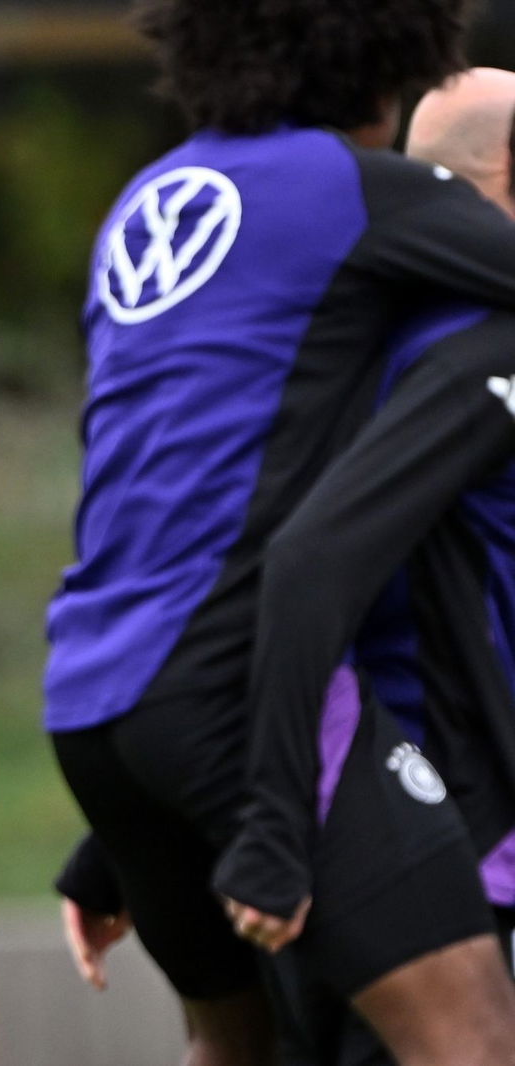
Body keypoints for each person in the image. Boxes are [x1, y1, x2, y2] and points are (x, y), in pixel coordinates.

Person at [43, 2, 515, 1062]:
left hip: (92, 691)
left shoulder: (145, 202)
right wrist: (268, 826)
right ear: (381, 51)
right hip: (236, 690)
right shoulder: (356, 193)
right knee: (474, 1041)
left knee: (230, 1048)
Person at [210, 68, 515, 1063]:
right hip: (450, 847)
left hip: (326, 822)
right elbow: (303, 564)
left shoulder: (335, 349)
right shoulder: (476, 350)